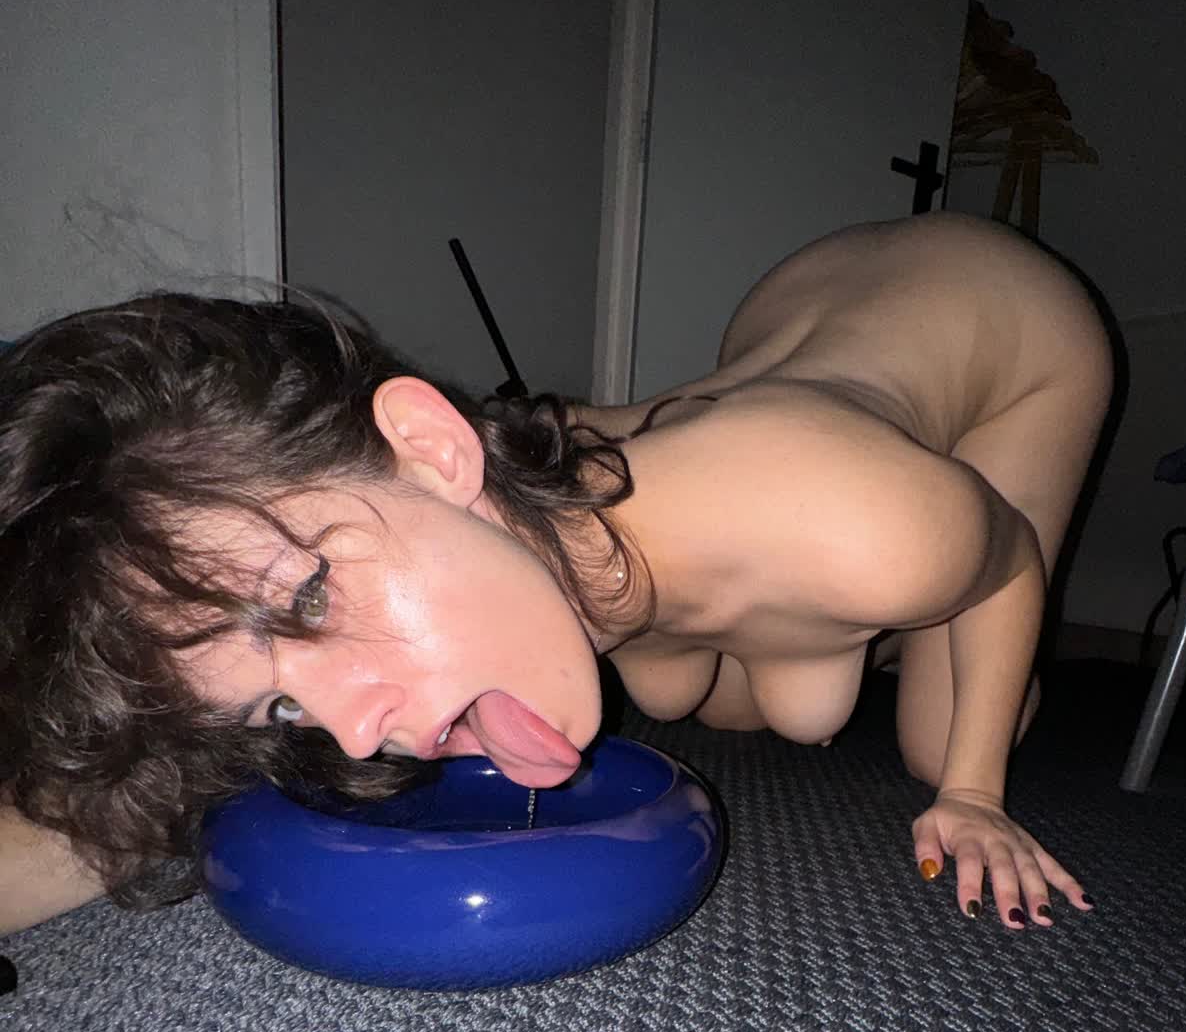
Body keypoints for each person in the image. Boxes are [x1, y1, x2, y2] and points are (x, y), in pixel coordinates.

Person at [0, 212, 1110, 938]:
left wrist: (973, 797)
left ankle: (899, 628)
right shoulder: (498, 501)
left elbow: (1008, 563)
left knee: (929, 723)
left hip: (1002, 322)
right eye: (280, 703)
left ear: (434, 449)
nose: (353, 733)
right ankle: (836, 630)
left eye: (308, 599)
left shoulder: (874, 526)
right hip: (787, 329)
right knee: (737, 692)